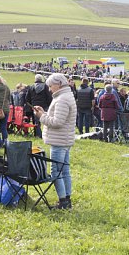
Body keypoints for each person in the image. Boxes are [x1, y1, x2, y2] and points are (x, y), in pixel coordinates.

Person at [35, 73, 77, 210]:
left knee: (56, 172)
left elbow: (57, 122)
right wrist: (45, 113)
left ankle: (63, 201)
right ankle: (67, 199)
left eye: (50, 86)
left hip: (59, 140)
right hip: (64, 139)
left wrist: (42, 117)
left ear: (58, 84)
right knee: (64, 171)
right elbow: (57, 117)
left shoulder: (62, 99)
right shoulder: (64, 96)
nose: (49, 89)